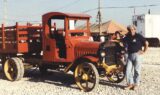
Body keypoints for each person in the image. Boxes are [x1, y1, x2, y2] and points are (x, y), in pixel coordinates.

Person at [123, 25, 149, 90]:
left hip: (137, 55)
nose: (131, 31)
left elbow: (146, 43)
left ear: (135, 30)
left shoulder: (138, 36)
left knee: (137, 70)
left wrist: (144, 51)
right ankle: (130, 84)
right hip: (129, 56)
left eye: (132, 29)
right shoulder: (127, 37)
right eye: (129, 30)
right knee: (128, 70)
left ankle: (136, 84)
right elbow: (121, 41)